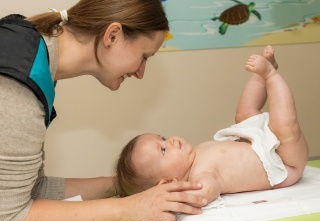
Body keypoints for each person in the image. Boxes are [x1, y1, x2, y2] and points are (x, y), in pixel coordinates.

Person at [0, 0, 206, 221]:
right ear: (113, 35)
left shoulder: (31, 53)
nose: (140, 73)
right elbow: (8, 220)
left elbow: (34, 189)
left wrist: (126, 186)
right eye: (144, 57)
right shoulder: (17, 86)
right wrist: (130, 208)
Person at [116, 46, 309, 208]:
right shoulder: (201, 177)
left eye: (163, 138)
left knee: (244, 113)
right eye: (164, 149)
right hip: (283, 162)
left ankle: (262, 75)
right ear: (168, 183)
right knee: (284, 126)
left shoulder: (196, 157)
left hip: (258, 141)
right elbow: (202, 194)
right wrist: (180, 197)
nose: (171, 140)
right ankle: (270, 75)